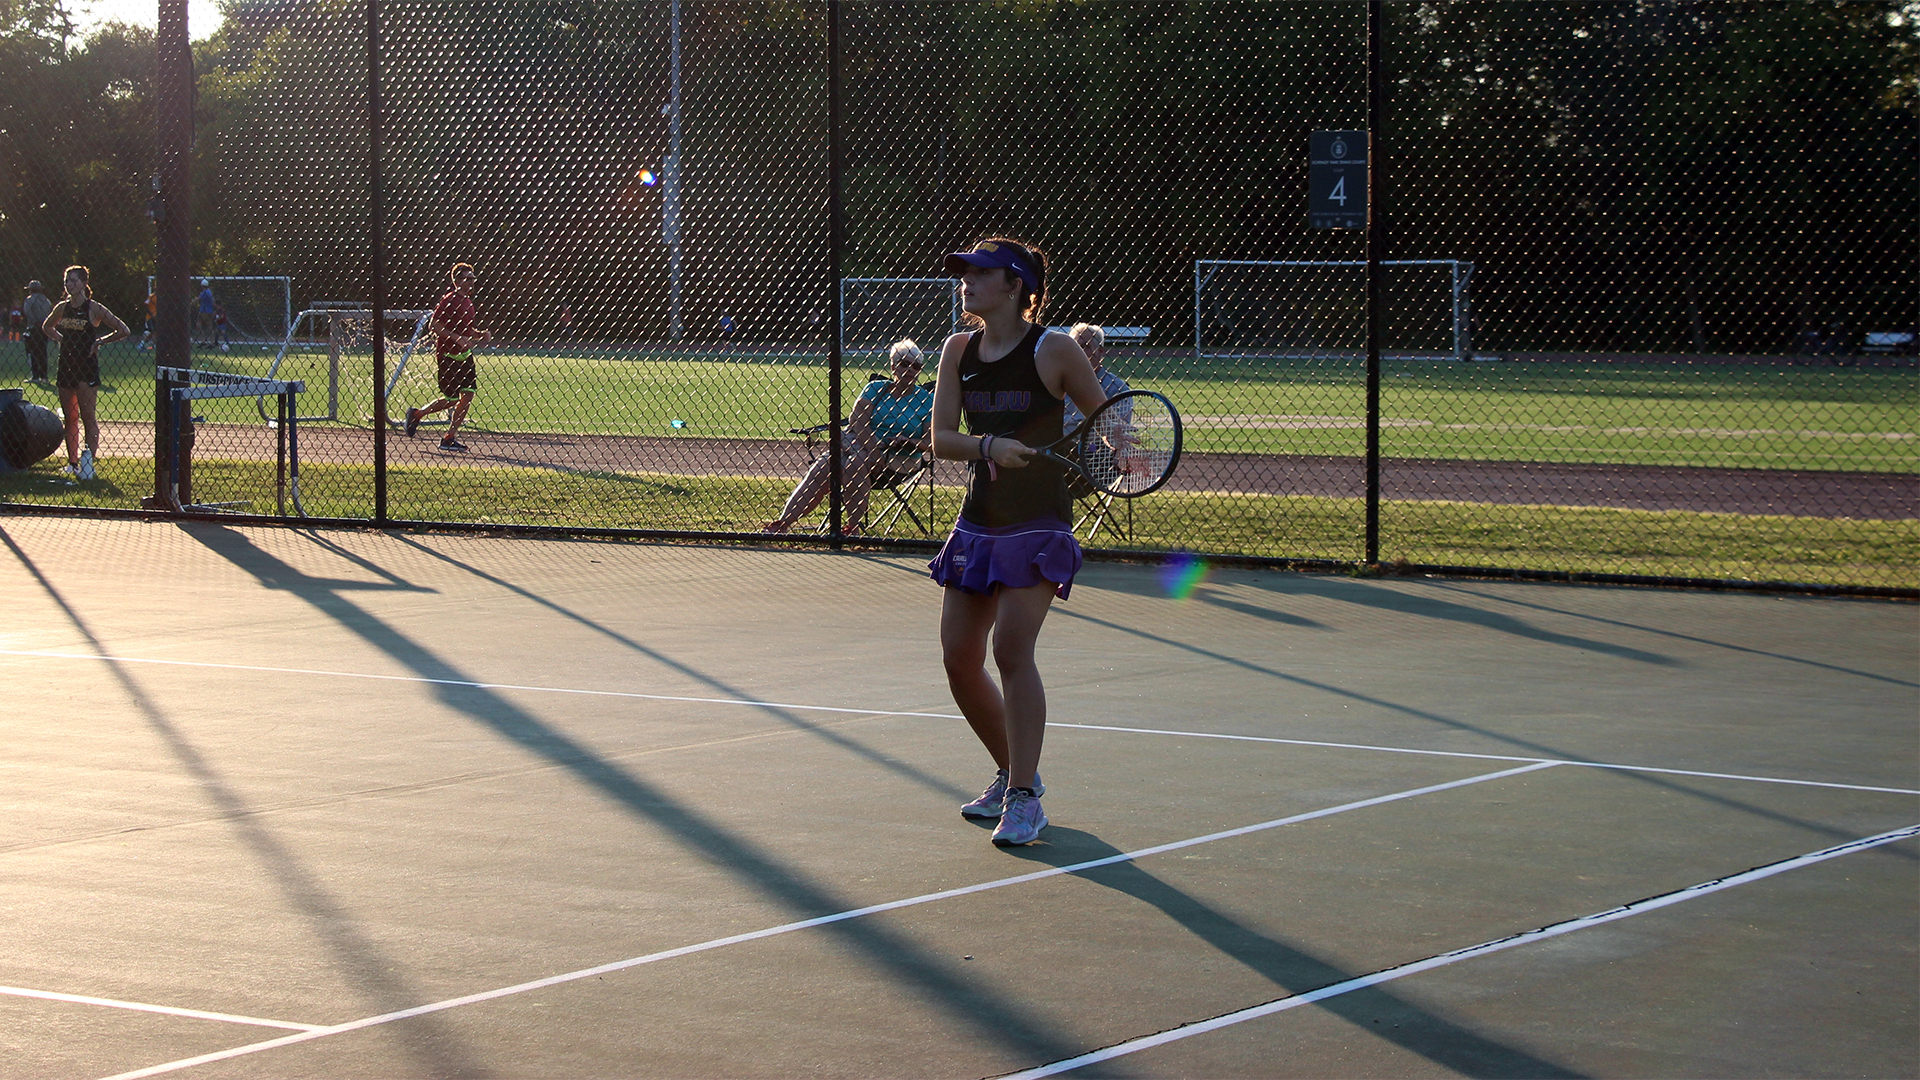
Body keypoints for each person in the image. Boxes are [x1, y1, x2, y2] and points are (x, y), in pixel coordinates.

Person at [926, 238, 1106, 847]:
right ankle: (1011, 774)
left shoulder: (1054, 348)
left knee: (1011, 648)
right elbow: (942, 439)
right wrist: (990, 446)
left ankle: (1026, 798)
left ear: (1015, 286)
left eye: (981, 273)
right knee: (957, 656)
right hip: (979, 521)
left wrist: (1108, 455)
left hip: (1039, 523)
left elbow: (1105, 419)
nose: (967, 282)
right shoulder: (957, 350)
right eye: (964, 273)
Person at [763, 338, 932, 535]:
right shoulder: (876, 388)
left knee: (854, 462)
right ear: (893, 367)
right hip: (864, 447)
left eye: (916, 366)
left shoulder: (926, 401)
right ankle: (783, 524)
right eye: (904, 364)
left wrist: (909, 441)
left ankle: (852, 528)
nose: (910, 370)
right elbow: (857, 422)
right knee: (823, 466)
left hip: (900, 457)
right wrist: (874, 450)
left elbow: (931, 442)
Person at [40, 265, 130, 480]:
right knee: (70, 418)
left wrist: (100, 341)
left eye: (73, 280)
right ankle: (72, 463)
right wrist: (62, 340)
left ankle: (88, 464)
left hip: (86, 367)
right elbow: (47, 327)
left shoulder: (94, 308)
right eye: (67, 281)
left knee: (88, 417)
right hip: (66, 366)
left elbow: (123, 329)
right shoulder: (62, 308)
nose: (69, 284)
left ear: (83, 283)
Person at [405, 263, 490, 451]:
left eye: (473, 278)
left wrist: (480, 334)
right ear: (457, 281)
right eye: (468, 279)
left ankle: (449, 437)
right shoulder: (449, 301)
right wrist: (456, 338)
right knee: (451, 400)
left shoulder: (469, 303)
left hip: (465, 356)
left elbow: (468, 331)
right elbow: (434, 326)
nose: (472, 282)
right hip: (448, 356)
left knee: (468, 395)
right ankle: (417, 414)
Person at [1060, 322, 1131, 432]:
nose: (1078, 351)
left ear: (1100, 351)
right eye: (1074, 346)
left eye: (1085, 346)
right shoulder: (1059, 383)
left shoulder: (1117, 388)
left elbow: (1121, 429)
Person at [21, 280, 52, 382]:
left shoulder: (29, 300)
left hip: (33, 328)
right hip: (44, 328)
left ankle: (35, 376)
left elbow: (27, 312)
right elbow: (50, 312)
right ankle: (44, 376)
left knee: (32, 352)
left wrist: (35, 321)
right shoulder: (46, 300)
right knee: (43, 351)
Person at [195, 279, 216, 346]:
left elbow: (198, 299)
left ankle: (210, 341)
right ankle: (206, 340)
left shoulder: (205, 292)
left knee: (208, 326)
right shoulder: (209, 292)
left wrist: (190, 303)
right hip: (206, 311)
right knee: (199, 325)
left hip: (205, 311)